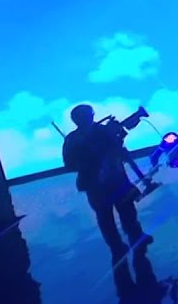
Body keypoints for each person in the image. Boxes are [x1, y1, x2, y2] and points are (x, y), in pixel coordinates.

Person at [62, 104, 153, 258]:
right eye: (85, 116)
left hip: (115, 179)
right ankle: (117, 246)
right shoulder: (74, 139)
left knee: (127, 212)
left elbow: (117, 143)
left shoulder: (99, 131)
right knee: (106, 218)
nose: (89, 118)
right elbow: (70, 164)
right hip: (96, 184)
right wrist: (90, 161)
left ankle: (135, 238)